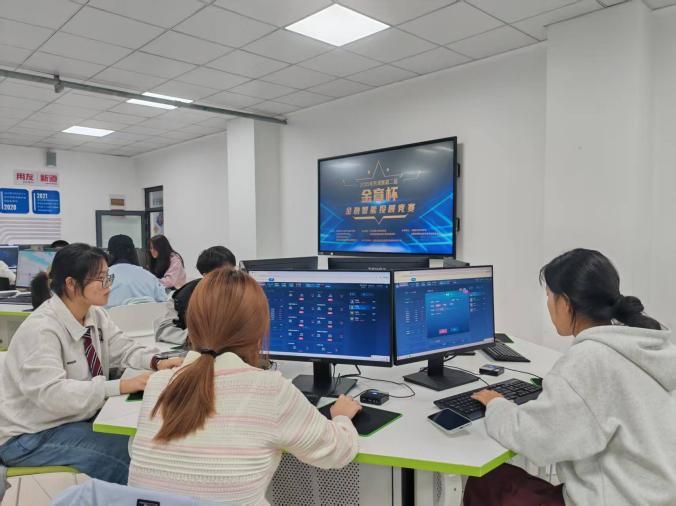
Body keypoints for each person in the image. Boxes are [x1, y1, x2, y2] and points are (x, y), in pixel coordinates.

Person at [130, 268, 361, 505]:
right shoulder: (270, 390)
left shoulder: (159, 383)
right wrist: (341, 417)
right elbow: (336, 452)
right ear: (259, 330)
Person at [464, 249, 676, 506]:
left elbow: (536, 440)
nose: (548, 305)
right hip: (657, 496)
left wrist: (496, 404)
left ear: (564, 303)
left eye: (548, 296)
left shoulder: (588, 361)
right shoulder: (646, 346)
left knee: (485, 482)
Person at [0, 244, 182, 484]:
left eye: (108, 276)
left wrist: (157, 361)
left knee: (142, 442)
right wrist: (120, 386)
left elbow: (123, 347)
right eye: (100, 279)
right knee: (126, 456)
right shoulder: (42, 330)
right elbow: (53, 395)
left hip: (69, 419)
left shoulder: (95, 314)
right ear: (71, 284)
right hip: (30, 435)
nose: (109, 285)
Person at [154, 246, 236, 345]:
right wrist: (192, 337)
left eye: (232, 273)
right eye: (222, 275)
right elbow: (163, 330)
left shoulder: (243, 291)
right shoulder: (182, 297)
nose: (229, 279)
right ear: (206, 276)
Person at [106, 235, 167, 308]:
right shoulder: (150, 277)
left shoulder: (105, 277)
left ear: (110, 253)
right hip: (149, 315)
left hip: (112, 315)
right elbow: (164, 302)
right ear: (133, 252)